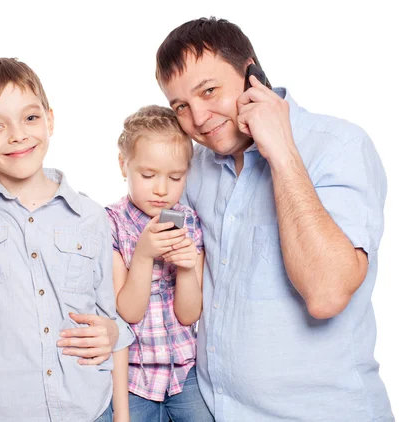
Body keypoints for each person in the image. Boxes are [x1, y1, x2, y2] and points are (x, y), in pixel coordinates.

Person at [155, 17, 394, 421]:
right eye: (181, 106)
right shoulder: (193, 169)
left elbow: (327, 294)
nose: (198, 118)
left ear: (253, 75)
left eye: (209, 91)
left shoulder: (338, 146)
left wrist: (280, 150)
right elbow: (144, 244)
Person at [0, 57, 134, 422]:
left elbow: (110, 315)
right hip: (0, 411)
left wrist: (113, 332)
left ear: (50, 120)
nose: (18, 135)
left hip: (87, 408)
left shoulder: (90, 215)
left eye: (30, 118)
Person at [106, 105, 214, 421]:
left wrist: (185, 267)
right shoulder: (111, 223)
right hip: (134, 378)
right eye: (148, 175)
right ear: (124, 165)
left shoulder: (191, 222)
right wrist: (143, 255)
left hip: (184, 372)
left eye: (175, 177)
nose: (162, 189)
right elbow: (128, 312)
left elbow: (189, 314)